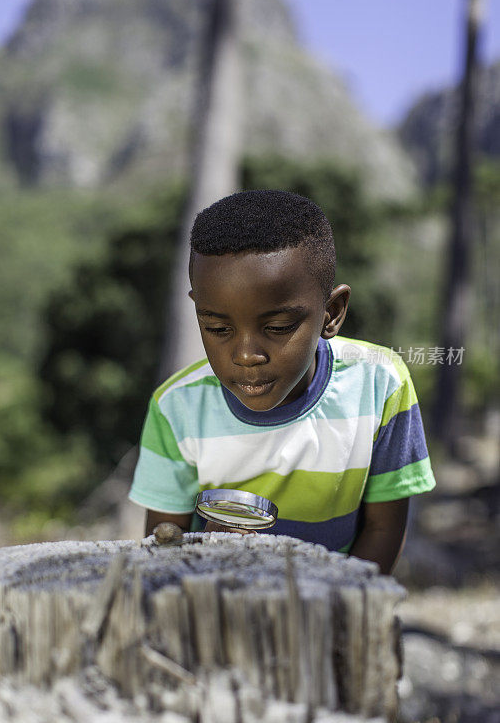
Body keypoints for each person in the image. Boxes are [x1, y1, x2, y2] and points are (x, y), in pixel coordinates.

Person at [129, 189, 435, 574]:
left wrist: (338, 610)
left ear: (332, 313)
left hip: (339, 608)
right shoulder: (177, 407)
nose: (246, 355)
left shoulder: (380, 384)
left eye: (277, 327)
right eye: (217, 327)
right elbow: (164, 545)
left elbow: (384, 527)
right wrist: (206, 549)